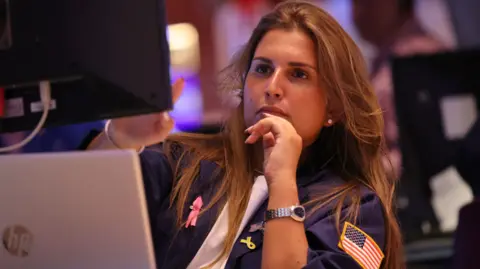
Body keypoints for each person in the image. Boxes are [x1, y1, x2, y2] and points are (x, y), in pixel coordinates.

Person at [85, 1, 403, 268]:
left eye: (298, 74)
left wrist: (282, 181)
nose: (273, 88)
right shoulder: (184, 161)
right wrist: (118, 140)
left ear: (333, 106)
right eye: (262, 69)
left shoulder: (353, 206)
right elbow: (75, 221)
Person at [352, 0, 447, 177]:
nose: (355, 12)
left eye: (364, 2)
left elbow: (425, 154)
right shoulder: (385, 59)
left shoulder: (420, 59)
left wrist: (355, 171)